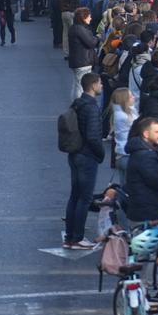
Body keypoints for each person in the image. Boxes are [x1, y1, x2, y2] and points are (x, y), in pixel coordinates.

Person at [63, 72, 104, 249]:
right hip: (87, 156)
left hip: (74, 153)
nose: (102, 86)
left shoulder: (78, 103)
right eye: (100, 83)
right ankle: (78, 237)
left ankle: (70, 236)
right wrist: (101, 154)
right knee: (85, 198)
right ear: (93, 85)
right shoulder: (92, 107)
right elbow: (93, 136)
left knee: (75, 195)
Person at [123, 117, 158, 226]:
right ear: (146, 134)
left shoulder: (144, 151)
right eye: (157, 132)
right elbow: (157, 182)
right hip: (146, 212)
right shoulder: (146, 155)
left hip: (142, 209)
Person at [67, 7, 98, 100]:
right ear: (83, 18)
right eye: (89, 16)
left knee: (77, 83)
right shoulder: (80, 29)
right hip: (82, 60)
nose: (90, 18)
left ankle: (75, 103)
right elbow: (91, 42)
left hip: (78, 60)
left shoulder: (75, 28)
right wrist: (97, 38)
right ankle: (79, 104)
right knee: (80, 85)